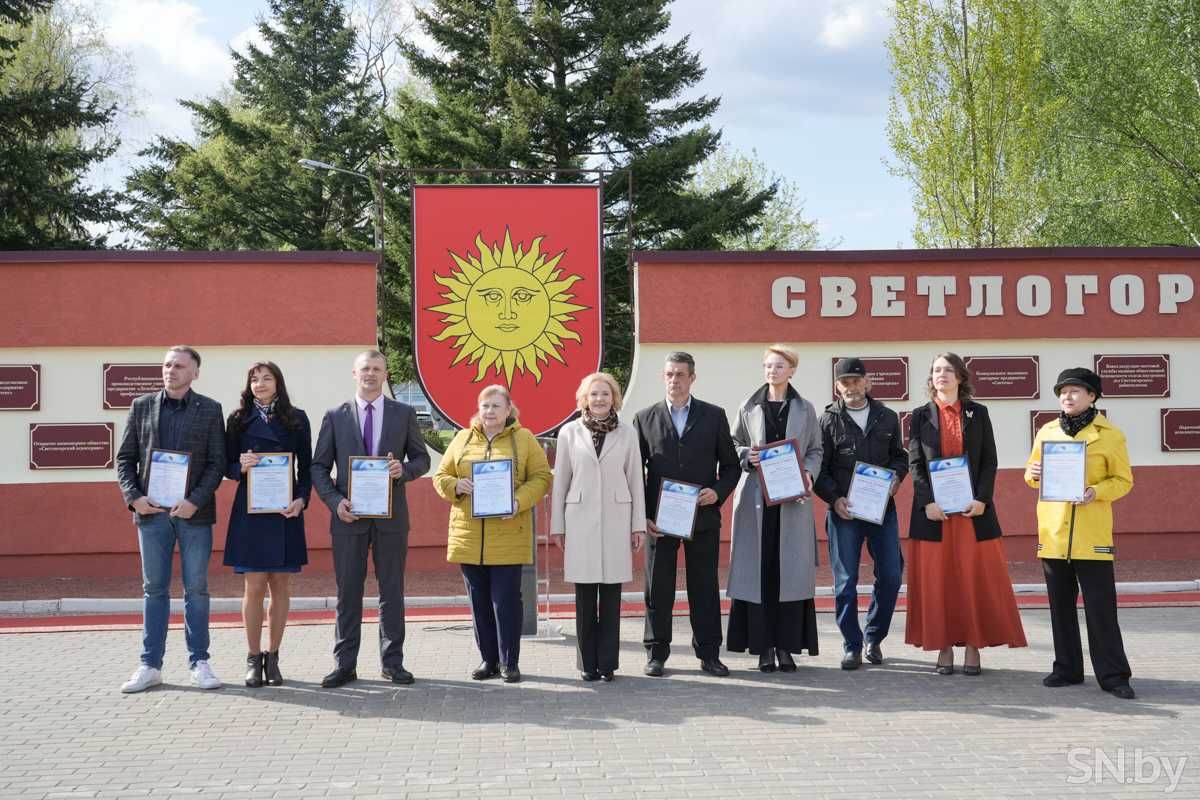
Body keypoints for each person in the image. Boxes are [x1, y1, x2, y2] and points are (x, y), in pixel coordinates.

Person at [311, 350, 431, 688]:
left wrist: (403, 470)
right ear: (354, 373)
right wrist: (335, 502)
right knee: (347, 592)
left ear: (385, 375)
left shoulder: (403, 413)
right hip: (348, 518)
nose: (371, 374)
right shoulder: (335, 415)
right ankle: (344, 665)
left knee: (391, 591)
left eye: (377, 369)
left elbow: (422, 459)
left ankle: (392, 663)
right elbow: (319, 466)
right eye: (365, 368)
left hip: (391, 519)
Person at [905, 352, 1027, 675]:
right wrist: (927, 503)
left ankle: (974, 646)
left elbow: (989, 460)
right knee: (939, 583)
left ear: (960, 376)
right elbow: (915, 464)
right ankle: (943, 647)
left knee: (974, 581)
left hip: (972, 513)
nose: (941, 375)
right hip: (935, 516)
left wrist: (982, 499)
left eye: (948, 370)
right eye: (936, 370)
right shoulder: (919, 415)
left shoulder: (978, 413)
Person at [115, 346, 226, 693]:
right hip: (152, 515)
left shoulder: (210, 409)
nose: (170, 370)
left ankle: (199, 662)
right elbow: (125, 459)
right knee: (154, 590)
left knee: (197, 590)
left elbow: (217, 463)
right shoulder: (141, 406)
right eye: (167, 365)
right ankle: (150, 665)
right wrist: (134, 498)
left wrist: (195, 501)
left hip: (194, 514)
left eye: (178, 366)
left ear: (195, 372)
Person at [1025, 367, 1136, 699]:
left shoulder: (1111, 435)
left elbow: (1123, 481)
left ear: (1092, 396)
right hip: (1054, 533)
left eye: (1074, 391)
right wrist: (1032, 472)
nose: (1067, 397)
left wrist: (1095, 491)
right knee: (1060, 608)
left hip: (1092, 537)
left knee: (1101, 610)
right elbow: (1031, 475)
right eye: (1062, 392)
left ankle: (1114, 675)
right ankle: (1067, 668)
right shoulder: (1047, 431)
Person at [433, 384, 552, 683]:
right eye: (485, 406)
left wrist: (518, 501)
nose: (489, 411)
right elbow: (441, 476)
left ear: (508, 410)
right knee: (479, 603)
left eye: (496, 406)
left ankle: (509, 662)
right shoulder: (462, 438)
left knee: (506, 602)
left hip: (509, 535)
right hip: (469, 536)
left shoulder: (524, 439)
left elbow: (541, 478)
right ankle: (488, 660)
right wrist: (455, 486)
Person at [633, 351, 740, 678]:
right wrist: (643, 516)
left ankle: (709, 654)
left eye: (680, 374)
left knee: (704, 587)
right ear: (662, 377)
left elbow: (732, 467)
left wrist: (717, 492)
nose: (674, 380)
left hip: (702, 517)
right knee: (658, 588)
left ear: (692, 378)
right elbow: (635, 473)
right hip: (659, 521)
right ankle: (656, 654)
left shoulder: (713, 415)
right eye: (669, 374)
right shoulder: (644, 418)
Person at [727, 345, 823, 672]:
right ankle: (763, 648)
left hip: (791, 503)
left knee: (788, 575)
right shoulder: (748, 406)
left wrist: (808, 474)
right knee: (761, 573)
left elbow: (816, 450)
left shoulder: (805, 409)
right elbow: (733, 444)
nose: (773, 371)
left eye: (779, 366)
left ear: (792, 370)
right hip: (756, 504)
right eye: (768, 365)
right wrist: (746, 455)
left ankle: (786, 647)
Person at [550, 373, 646, 681]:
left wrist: (638, 525)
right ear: (584, 399)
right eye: (594, 394)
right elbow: (561, 481)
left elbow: (636, 479)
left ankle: (607, 664)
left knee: (611, 597)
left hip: (617, 520)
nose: (600, 399)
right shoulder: (569, 432)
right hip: (579, 521)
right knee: (584, 597)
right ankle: (587, 664)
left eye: (605, 393)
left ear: (614, 398)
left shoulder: (627, 433)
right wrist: (557, 526)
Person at [814, 357, 909, 670]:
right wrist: (835, 498)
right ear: (837, 386)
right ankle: (851, 645)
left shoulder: (887, 417)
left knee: (892, 575)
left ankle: (874, 637)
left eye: (856, 381)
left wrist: (896, 477)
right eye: (845, 382)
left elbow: (900, 457)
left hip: (882, 510)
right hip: (845, 513)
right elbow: (819, 469)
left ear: (867, 383)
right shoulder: (827, 421)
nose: (851, 387)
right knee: (845, 582)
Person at [222, 361, 311, 687]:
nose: (260, 384)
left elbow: (306, 468)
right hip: (252, 511)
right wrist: (240, 466)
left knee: (281, 586)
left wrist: (302, 500)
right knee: (254, 586)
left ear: (278, 383)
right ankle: (252, 657)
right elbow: (225, 465)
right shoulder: (237, 419)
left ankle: (273, 657)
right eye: (254, 379)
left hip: (285, 510)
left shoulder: (297, 418)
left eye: (266, 378)